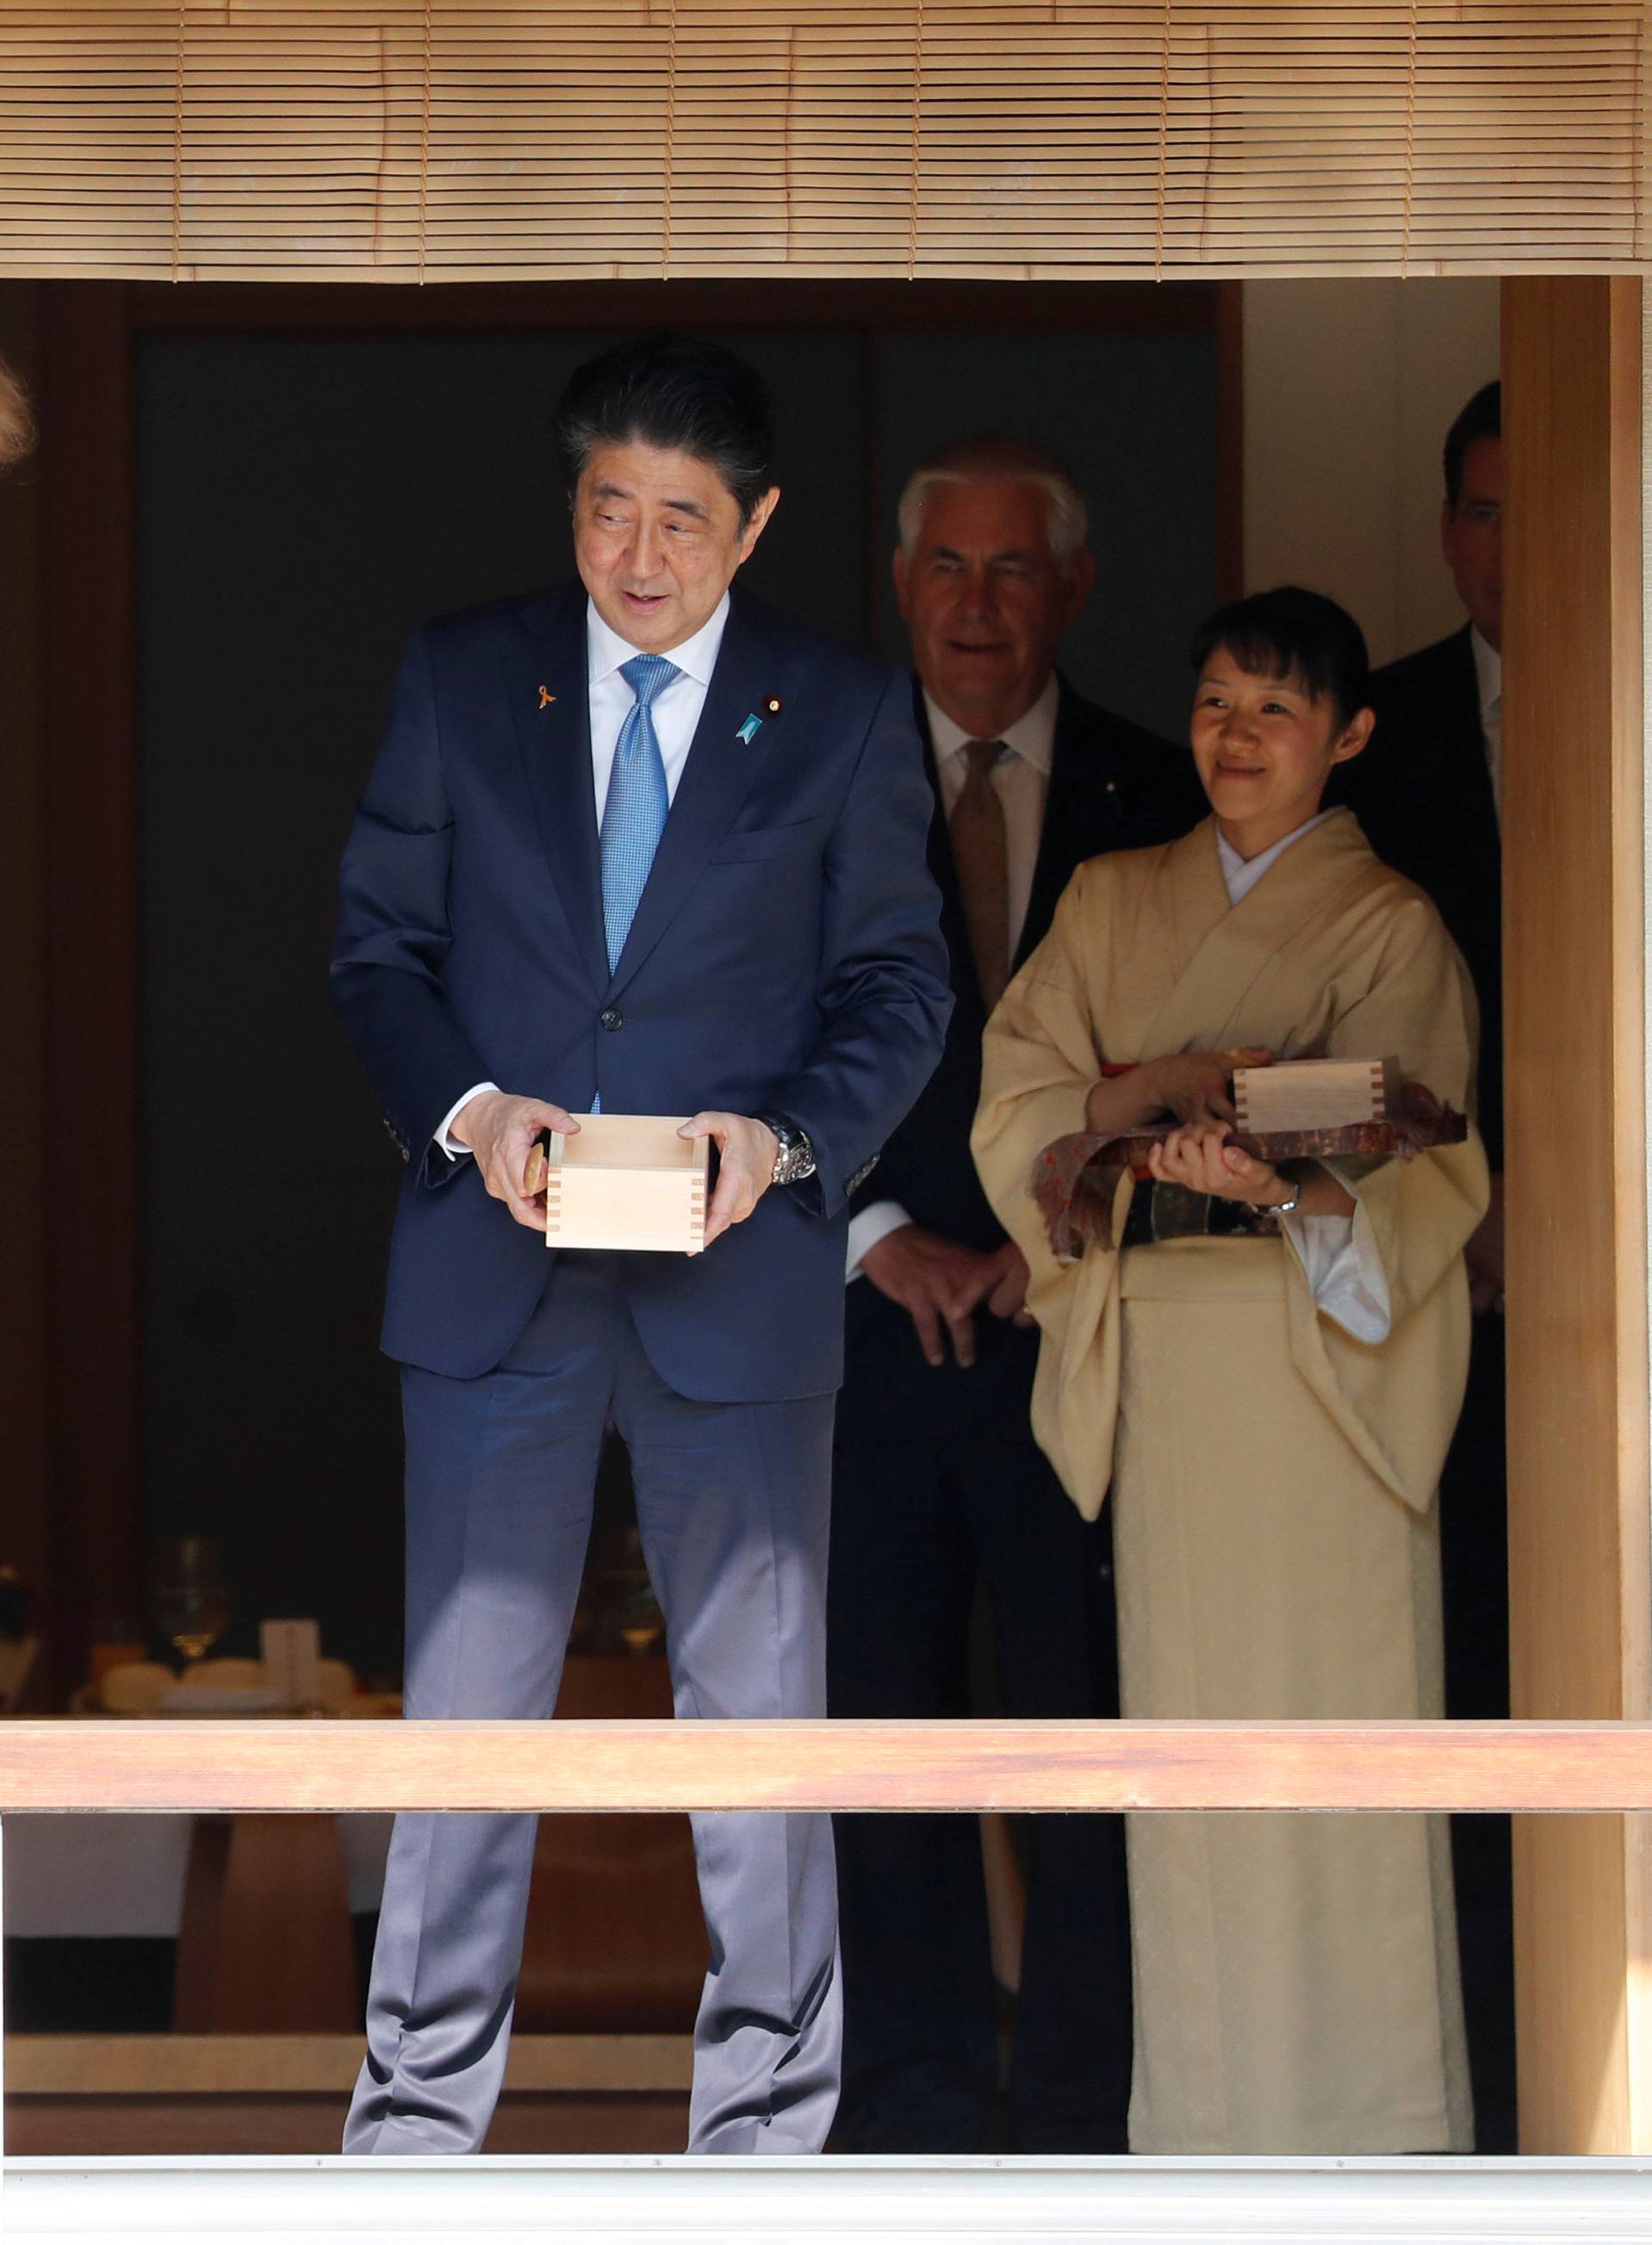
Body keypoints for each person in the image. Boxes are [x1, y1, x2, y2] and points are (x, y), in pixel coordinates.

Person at [331, 333, 952, 2156]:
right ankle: (415, 2135)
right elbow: (380, 950)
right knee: (467, 1723)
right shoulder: (468, 677)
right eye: (612, 506)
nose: (642, 552)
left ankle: (764, 2132)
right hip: (496, 1271)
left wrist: (781, 1144)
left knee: (759, 1732)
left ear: (753, 525)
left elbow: (901, 980)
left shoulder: (838, 712)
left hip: (735, 1282)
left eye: (684, 516)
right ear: (576, 505)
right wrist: (472, 1114)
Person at [973, 587, 1486, 2155]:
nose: (1237, 736)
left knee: (1338, 1775)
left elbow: (1421, 1160)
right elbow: (1019, 1100)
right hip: (1175, 1371)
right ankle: (1201, 2146)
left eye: (1275, 709)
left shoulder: (1390, 922)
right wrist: (1144, 1109)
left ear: (1350, 734)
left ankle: (1378, 2148)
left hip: (1315, 1376)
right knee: (1188, 1791)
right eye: (1212, 703)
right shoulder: (1114, 895)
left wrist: (1282, 1184)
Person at [827, 434, 1202, 2153]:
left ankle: (1077, 2107)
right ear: (903, 585)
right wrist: (877, 1223)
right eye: (947, 570)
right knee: (881, 1742)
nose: (979, 606)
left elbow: (1191, 1063)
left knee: (1086, 1735)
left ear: (1075, 588)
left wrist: (1041, 1232)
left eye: (1014, 569)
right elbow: (751, 1032)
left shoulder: (1167, 781)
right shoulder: (807, 777)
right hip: (867, 1332)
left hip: (1083, 1331)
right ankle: (903, 2104)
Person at [1332, 379, 1513, 2145]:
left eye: (1542, 508)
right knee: (1454, 1675)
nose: (1508, 549)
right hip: (1427, 1278)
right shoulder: (1371, 726)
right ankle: (1481, 2098)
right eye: (1479, 511)